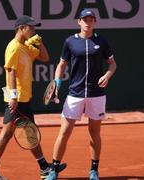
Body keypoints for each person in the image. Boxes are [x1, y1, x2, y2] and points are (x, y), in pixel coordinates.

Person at [0, 15, 66, 180]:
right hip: (16, 99)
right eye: (31, 28)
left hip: (24, 99)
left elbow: (45, 57)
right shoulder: (13, 47)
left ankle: (43, 168)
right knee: (7, 133)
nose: (34, 31)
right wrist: (13, 96)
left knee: (30, 132)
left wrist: (39, 42)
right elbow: (10, 71)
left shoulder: (26, 46)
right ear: (22, 28)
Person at [45, 9, 117, 180]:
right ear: (79, 21)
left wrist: (107, 75)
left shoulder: (101, 41)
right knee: (64, 132)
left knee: (94, 134)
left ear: (95, 22)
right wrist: (57, 81)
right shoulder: (70, 42)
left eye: (91, 19)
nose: (88, 22)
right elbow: (62, 65)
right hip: (75, 93)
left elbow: (113, 64)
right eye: (85, 19)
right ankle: (54, 169)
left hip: (96, 94)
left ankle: (94, 170)